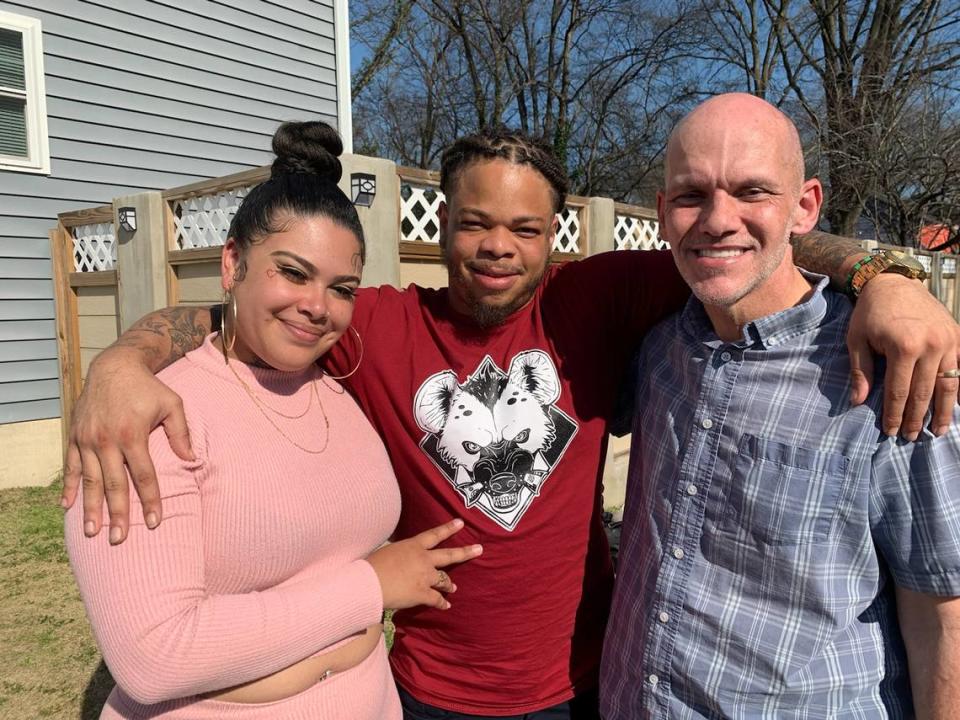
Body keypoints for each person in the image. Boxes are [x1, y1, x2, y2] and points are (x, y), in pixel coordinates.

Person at [63, 127, 960, 719]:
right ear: (439, 227)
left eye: (525, 228)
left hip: (584, 684)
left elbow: (752, 246)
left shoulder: (598, 299)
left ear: (556, 235)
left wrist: (886, 276)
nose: (498, 246)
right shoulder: (372, 323)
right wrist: (122, 359)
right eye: (475, 223)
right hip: (422, 690)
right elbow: (236, 320)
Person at [65, 121, 481, 720]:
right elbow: (153, 654)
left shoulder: (340, 387)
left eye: (342, 287)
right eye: (291, 272)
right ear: (232, 263)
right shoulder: (148, 416)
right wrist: (371, 587)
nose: (317, 306)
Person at [600, 93, 960, 719]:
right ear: (662, 213)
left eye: (752, 191)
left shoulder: (891, 368)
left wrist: (890, 279)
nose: (718, 219)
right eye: (691, 195)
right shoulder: (658, 347)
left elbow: (944, 610)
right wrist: (883, 270)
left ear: (806, 206)